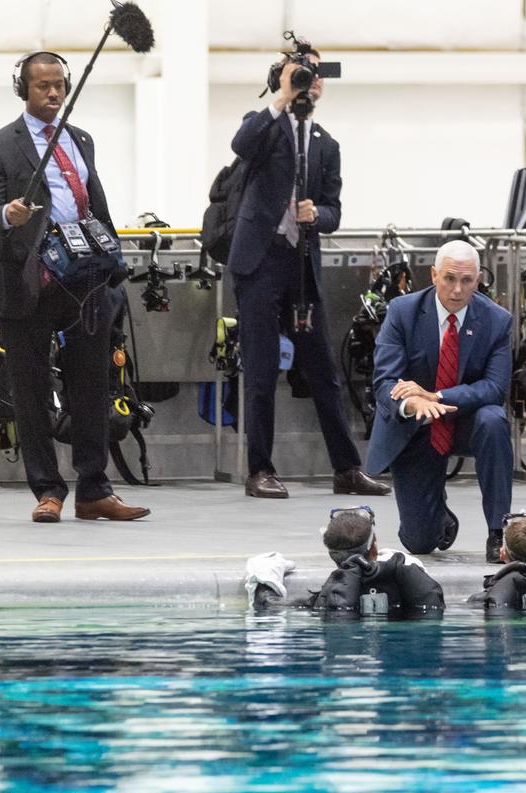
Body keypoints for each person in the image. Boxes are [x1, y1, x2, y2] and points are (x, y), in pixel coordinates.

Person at [0, 52, 149, 523]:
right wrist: (7, 216)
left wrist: (115, 266)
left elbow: (94, 202)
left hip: (86, 279)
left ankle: (94, 489)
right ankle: (48, 491)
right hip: (27, 279)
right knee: (29, 391)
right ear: (23, 90)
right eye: (42, 86)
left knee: (92, 386)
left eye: (59, 86)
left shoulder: (81, 139)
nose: (52, 94)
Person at [227, 47, 388, 501]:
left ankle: (346, 468)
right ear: (284, 76)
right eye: (304, 72)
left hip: (302, 268)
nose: (313, 80)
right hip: (259, 264)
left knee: (323, 371)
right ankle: (260, 469)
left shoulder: (326, 144)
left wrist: (317, 212)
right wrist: (280, 97)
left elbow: (335, 211)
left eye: (318, 74)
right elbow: (241, 146)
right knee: (260, 371)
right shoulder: (264, 125)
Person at [365, 240, 513, 564]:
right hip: (416, 428)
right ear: (433, 275)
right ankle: (438, 513)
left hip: (464, 420)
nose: (457, 290)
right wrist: (413, 405)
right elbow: (385, 382)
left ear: (478, 280)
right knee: (419, 542)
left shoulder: (497, 321)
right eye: (449, 279)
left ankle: (499, 532)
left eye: (467, 281)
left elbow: (495, 387)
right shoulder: (402, 312)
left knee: (493, 419)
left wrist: (437, 397)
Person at [245, 505, 442, 612]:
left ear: (332, 555)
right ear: (374, 547)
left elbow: (266, 603)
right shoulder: (408, 581)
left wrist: (267, 573)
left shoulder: (326, 600)